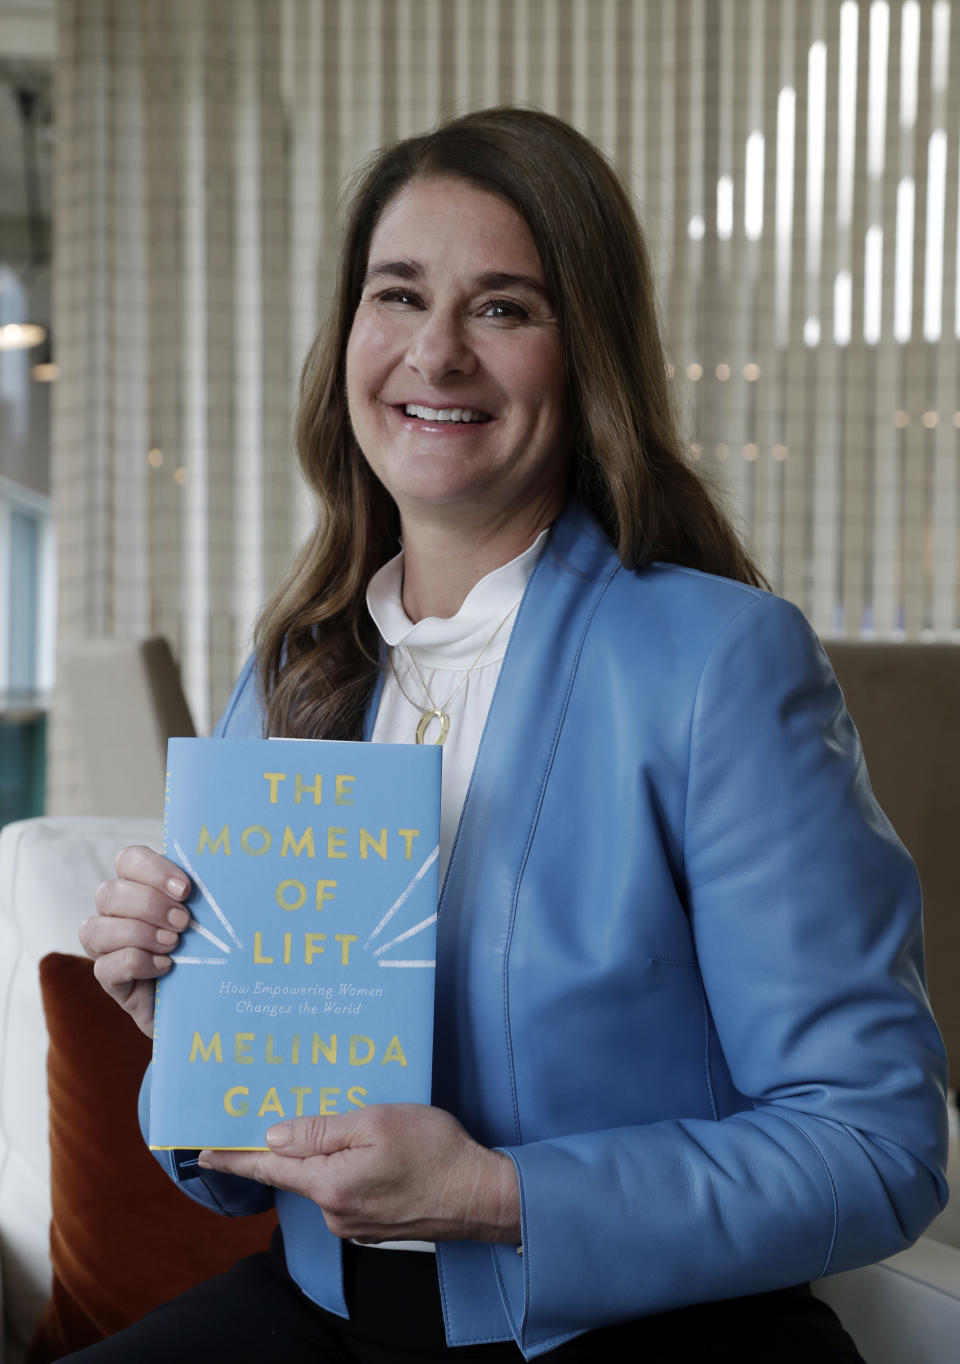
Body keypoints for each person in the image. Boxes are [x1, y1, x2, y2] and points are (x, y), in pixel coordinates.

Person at [78, 107, 948, 1363]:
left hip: (644, 1332)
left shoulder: (718, 663)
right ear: (347, 341)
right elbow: (220, 1150)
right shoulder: (293, 666)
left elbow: (876, 1145)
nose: (437, 354)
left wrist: (494, 1195)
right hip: (328, 1313)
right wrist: (193, 1021)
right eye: (399, 295)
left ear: (584, 350)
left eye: (503, 308)